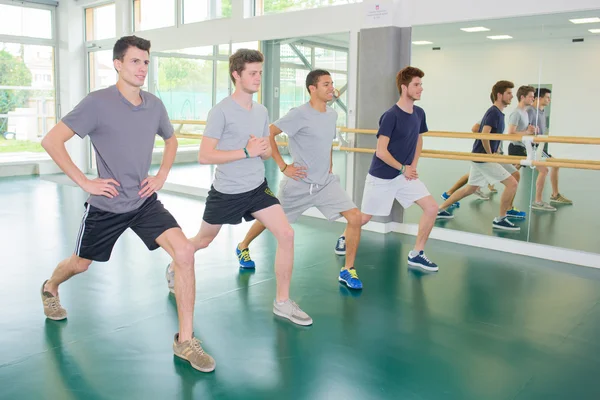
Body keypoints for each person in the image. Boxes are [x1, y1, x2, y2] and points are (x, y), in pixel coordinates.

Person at [39, 36, 215, 373]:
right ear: (118, 64)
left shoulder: (154, 104)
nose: (142, 68)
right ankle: (50, 287)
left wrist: (162, 174)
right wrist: (85, 181)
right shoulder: (97, 103)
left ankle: (185, 341)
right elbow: (52, 140)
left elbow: (172, 139)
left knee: (185, 252)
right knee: (80, 264)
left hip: (144, 201)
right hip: (106, 205)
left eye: (146, 62)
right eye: (135, 61)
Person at [165, 49, 313, 326]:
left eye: (260, 72)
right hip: (227, 191)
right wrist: (245, 151)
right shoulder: (220, 111)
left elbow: (264, 151)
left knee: (287, 233)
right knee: (203, 241)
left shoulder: (261, 111)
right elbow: (204, 155)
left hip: (257, 188)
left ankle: (282, 302)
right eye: (253, 73)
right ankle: (176, 263)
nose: (258, 78)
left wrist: (266, 150)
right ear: (237, 74)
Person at [235, 69, 363, 290]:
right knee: (269, 220)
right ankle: (243, 245)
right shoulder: (299, 114)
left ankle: (347, 269)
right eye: (326, 84)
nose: (332, 87)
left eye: (332, 83)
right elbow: (269, 134)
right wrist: (284, 167)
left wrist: (329, 165)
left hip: (325, 183)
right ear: (312, 89)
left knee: (355, 217)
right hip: (298, 184)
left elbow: (327, 144)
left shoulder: (331, 114)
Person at [344, 66, 439, 272]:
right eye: (416, 85)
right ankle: (345, 237)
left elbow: (419, 140)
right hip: (382, 177)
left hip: (404, 175)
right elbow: (381, 151)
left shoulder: (419, 113)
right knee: (364, 218)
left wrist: (412, 166)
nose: (421, 88)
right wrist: (402, 168)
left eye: (421, 84)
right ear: (404, 88)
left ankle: (417, 254)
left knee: (432, 208)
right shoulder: (390, 115)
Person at [437, 80, 523, 230]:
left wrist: (494, 152)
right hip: (483, 158)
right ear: (499, 94)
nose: (511, 96)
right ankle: (500, 219)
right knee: (512, 183)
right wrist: (490, 155)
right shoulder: (493, 112)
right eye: (509, 93)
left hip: (480, 157)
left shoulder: (499, 113)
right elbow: (484, 135)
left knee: (470, 188)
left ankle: (439, 209)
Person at [507, 85, 557, 211]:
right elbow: (510, 134)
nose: (532, 99)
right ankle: (537, 201)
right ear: (523, 97)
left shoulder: (524, 112)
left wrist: (531, 131)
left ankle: (481, 184)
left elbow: (524, 130)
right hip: (519, 147)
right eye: (531, 96)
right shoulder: (517, 112)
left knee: (509, 174)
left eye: (533, 96)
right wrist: (528, 132)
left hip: (527, 147)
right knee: (544, 170)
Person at [527, 88, 573, 206]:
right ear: (538, 98)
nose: (549, 99)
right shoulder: (531, 111)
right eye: (547, 97)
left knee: (554, 165)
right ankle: (541, 199)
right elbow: (525, 129)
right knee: (548, 168)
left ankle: (554, 195)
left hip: (539, 147)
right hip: (531, 147)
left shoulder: (542, 112)